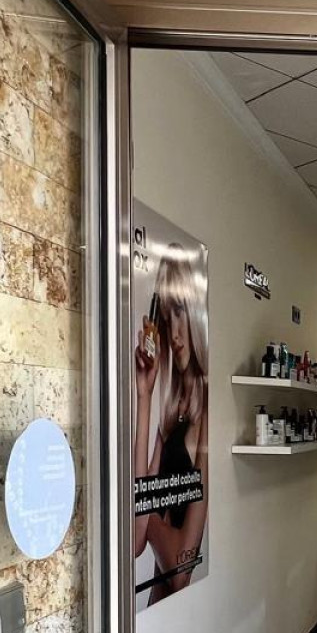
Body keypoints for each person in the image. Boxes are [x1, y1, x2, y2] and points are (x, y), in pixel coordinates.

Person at [132, 252, 209, 605]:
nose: (174, 333)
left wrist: (148, 510)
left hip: (183, 610)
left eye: (179, 311)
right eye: (166, 317)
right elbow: (135, 541)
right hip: (157, 608)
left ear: (194, 312)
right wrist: (144, 396)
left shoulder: (207, 411)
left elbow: (180, 572)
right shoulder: (169, 411)